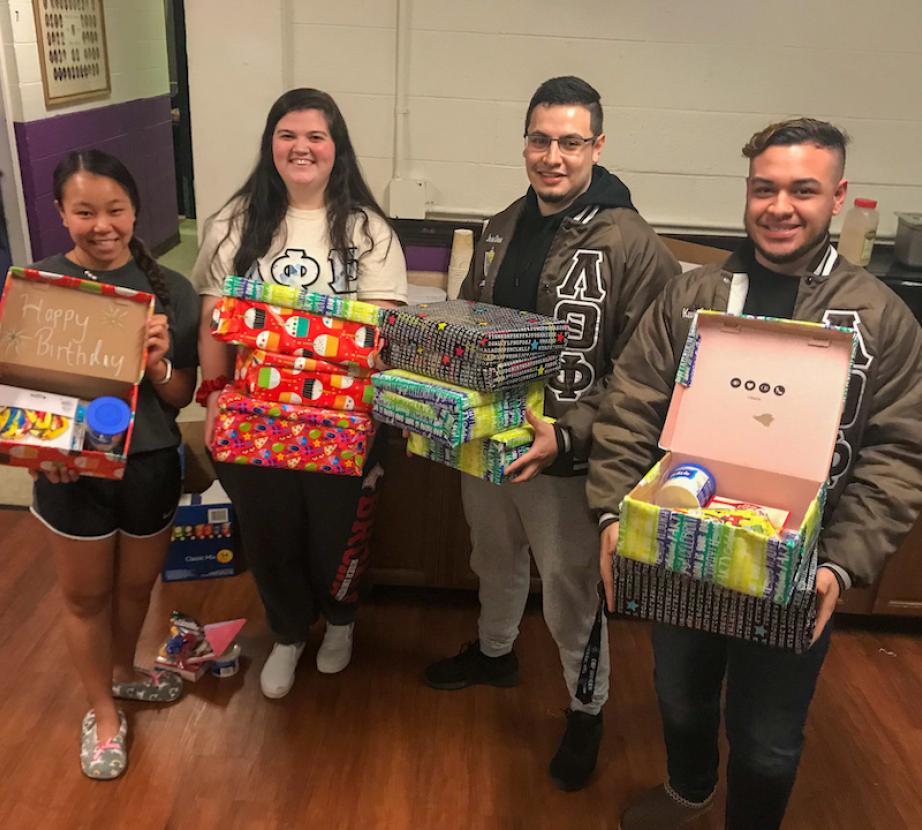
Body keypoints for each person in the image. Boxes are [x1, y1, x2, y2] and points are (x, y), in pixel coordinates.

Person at [588, 118, 922, 829]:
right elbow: (630, 406)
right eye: (765, 188)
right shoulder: (690, 297)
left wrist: (841, 563)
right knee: (679, 697)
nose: (780, 206)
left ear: (837, 197)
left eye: (803, 190)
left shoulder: (882, 319)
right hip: (682, 549)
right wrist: (617, 512)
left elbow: (898, 453)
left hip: (800, 571)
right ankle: (689, 790)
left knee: (769, 740)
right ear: (747, 192)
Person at [423, 76, 680, 791]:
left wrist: (572, 437)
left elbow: (648, 373)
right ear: (526, 143)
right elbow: (477, 325)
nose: (553, 156)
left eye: (570, 141)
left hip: (569, 460)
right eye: (540, 139)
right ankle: (497, 652)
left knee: (572, 592)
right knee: (492, 557)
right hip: (493, 442)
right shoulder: (502, 224)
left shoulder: (633, 244)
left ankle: (586, 709)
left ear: (597, 145)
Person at [193, 88, 407, 698]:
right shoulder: (235, 223)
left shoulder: (368, 231)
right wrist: (212, 396)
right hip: (253, 417)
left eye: (316, 136)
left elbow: (381, 331)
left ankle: (340, 622)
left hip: (341, 420)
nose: (301, 147)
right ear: (271, 145)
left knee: (337, 534)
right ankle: (288, 632)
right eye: (287, 135)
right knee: (269, 532)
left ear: (336, 149)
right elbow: (214, 318)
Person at [30, 150, 199, 779]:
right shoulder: (39, 286)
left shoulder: (171, 290)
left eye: (116, 210)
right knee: (84, 596)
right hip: (69, 473)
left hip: (150, 463)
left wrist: (157, 363)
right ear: (60, 214)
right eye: (84, 212)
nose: (102, 225)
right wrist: (41, 453)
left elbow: (181, 396)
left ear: (134, 210)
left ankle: (125, 672)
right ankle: (101, 713)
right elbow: (21, 390)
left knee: (134, 587)